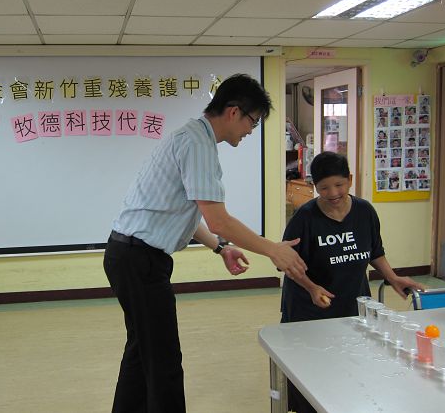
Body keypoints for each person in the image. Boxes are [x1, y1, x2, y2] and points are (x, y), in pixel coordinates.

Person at [103, 73, 307, 413]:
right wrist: (273, 249)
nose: (250, 131)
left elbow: (184, 213)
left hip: (129, 255)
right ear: (233, 111)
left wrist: (220, 247)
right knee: (164, 359)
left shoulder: (191, 137)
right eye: (253, 121)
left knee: (143, 351)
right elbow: (219, 220)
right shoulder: (198, 145)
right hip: (140, 260)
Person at [280, 151, 424, 413]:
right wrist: (312, 288)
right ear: (315, 187)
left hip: (352, 301)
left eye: (339, 184)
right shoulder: (304, 218)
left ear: (350, 179)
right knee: (311, 368)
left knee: (350, 365)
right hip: (310, 307)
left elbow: (374, 251)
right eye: (324, 187)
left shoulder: (364, 211)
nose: (333, 193)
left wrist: (392, 277)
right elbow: (287, 263)